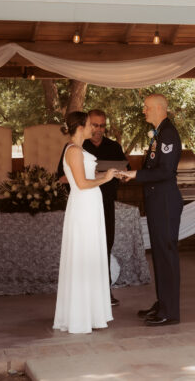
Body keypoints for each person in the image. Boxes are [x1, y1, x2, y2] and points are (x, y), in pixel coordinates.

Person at [117, 93, 183, 327]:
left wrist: (136, 174)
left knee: (166, 255)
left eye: (146, 107)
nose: (143, 111)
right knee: (159, 254)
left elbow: (165, 171)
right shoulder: (159, 133)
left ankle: (170, 311)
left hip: (165, 202)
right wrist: (135, 176)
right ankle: (163, 302)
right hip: (157, 201)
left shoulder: (168, 134)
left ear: (158, 108)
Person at [55, 108, 129, 306]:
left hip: (103, 202)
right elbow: (67, 178)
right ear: (82, 126)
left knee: (102, 246)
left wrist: (113, 174)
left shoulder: (113, 146)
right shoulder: (75, 148)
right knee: (85, 250)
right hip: (85, 203)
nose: (97, 129)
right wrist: (102, 176)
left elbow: (124, 170)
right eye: (92, 124)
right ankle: (84, 299)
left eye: (101, 125)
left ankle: (101, 293)